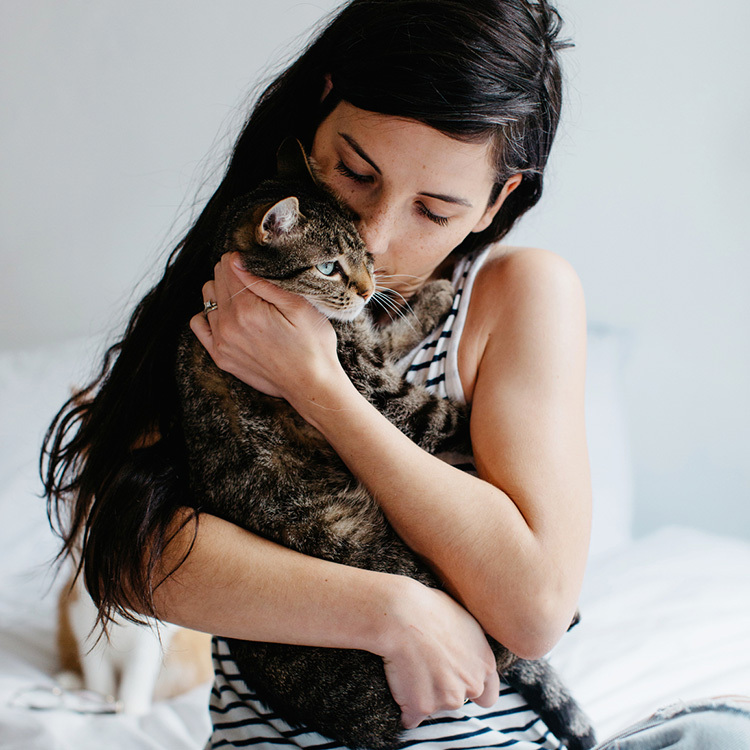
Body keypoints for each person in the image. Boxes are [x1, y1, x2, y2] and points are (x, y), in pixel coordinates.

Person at [42, 1, 750, 748]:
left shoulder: (514, 296)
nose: (376, 241)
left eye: (434, 209)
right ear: (318, 115)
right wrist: (391, 610)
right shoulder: (238, 290)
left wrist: (320, 390)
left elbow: (534, 609)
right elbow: (134, 555)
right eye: (356, 172)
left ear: (495, 202)